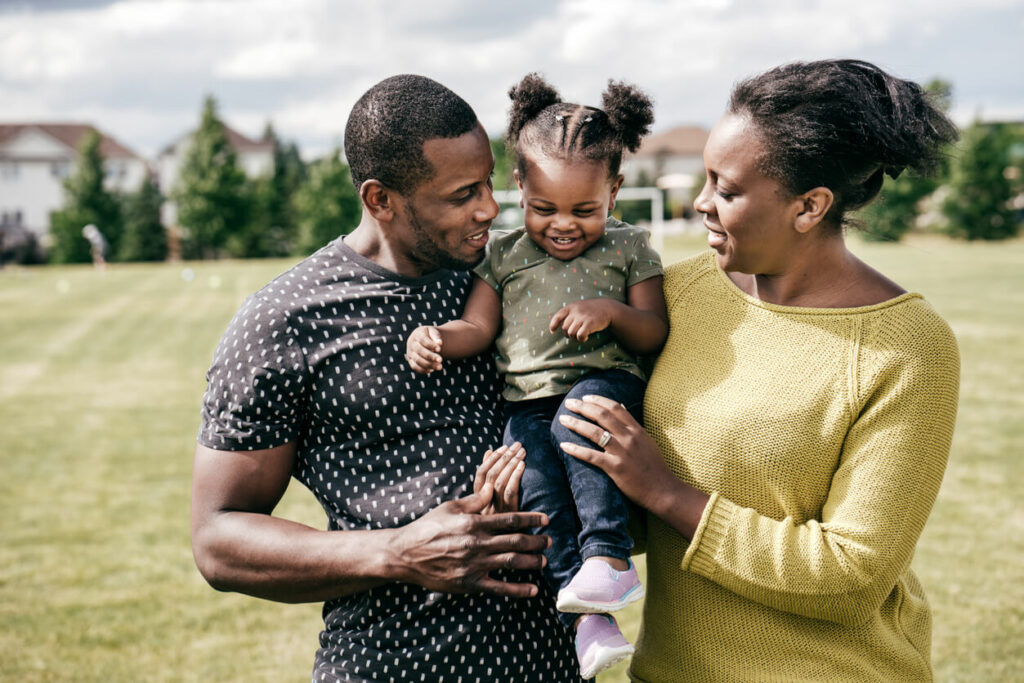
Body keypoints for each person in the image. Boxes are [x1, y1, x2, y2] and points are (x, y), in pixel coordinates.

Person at [558, 59, 961, 681]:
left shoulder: (908, 347)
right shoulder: (681, 295)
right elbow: (629, 503)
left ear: (809, 207)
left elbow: (851, 576)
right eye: (705, 178)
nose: (700, 203)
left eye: (727, 189)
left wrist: (668, 493)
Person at [190, 74, 580, 682]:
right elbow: (218, 542)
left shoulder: (511, 275)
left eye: (487, 184)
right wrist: (399, 551)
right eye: (460, 195)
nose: (488, 208)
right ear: (381, 199)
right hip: (388, 664)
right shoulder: (286, 319)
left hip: (549, 664)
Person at [406, 73, 668, 679]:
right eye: (543, 208)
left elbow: (653, 331)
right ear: (518, 186)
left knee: (580, 418)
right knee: (536, 486)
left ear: (615, 191)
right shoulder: (503, 255)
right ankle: (587, 620)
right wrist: (438, 337)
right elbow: (477, 329)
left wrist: (612, 313)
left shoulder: (629, 248)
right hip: (527, 404)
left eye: (586, 209)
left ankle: (609, 558)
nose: (563, 224)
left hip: (604, 387)